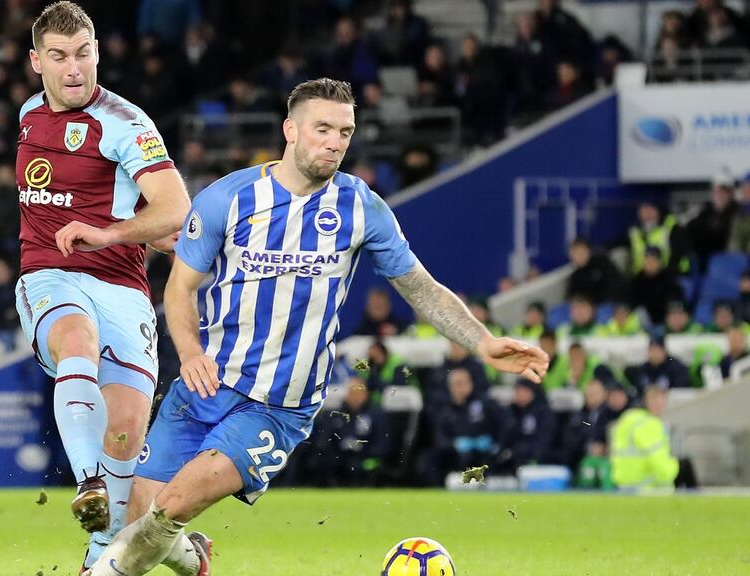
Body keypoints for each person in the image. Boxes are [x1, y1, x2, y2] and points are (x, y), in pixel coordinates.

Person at [86, 78, 549, 576]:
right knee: (141, 518)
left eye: (345, 132)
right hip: (205, 385)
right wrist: (192, 351)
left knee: (171, 507)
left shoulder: (360, 207)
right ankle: (191, 557)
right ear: (291, 130)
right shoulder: (228, 198)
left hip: (277, 407)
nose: (335, 142)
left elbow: (420, 286)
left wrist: (482, 340)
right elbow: (179, 289)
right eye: (323, 129)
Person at [12, 2, 190, 571]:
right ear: (36, 61)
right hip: (50, 275)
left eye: (83, 54)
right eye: (59, 57)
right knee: (76, 340)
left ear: (98, 54)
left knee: (126, 438)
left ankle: (169, 556)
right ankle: (86, 481)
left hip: (123, 289)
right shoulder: (29, 114)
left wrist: (110, 232)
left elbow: (173, 206)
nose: (73, 68)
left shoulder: (125, 123)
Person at [610, 386, 679, 491]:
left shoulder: (628, 418)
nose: (659, 404)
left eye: (661, 399)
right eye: (654, 399)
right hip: (647, 489)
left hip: (624, 486)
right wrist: (672, 471)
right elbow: (658, 460)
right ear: (646, 401)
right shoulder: (649, 424)